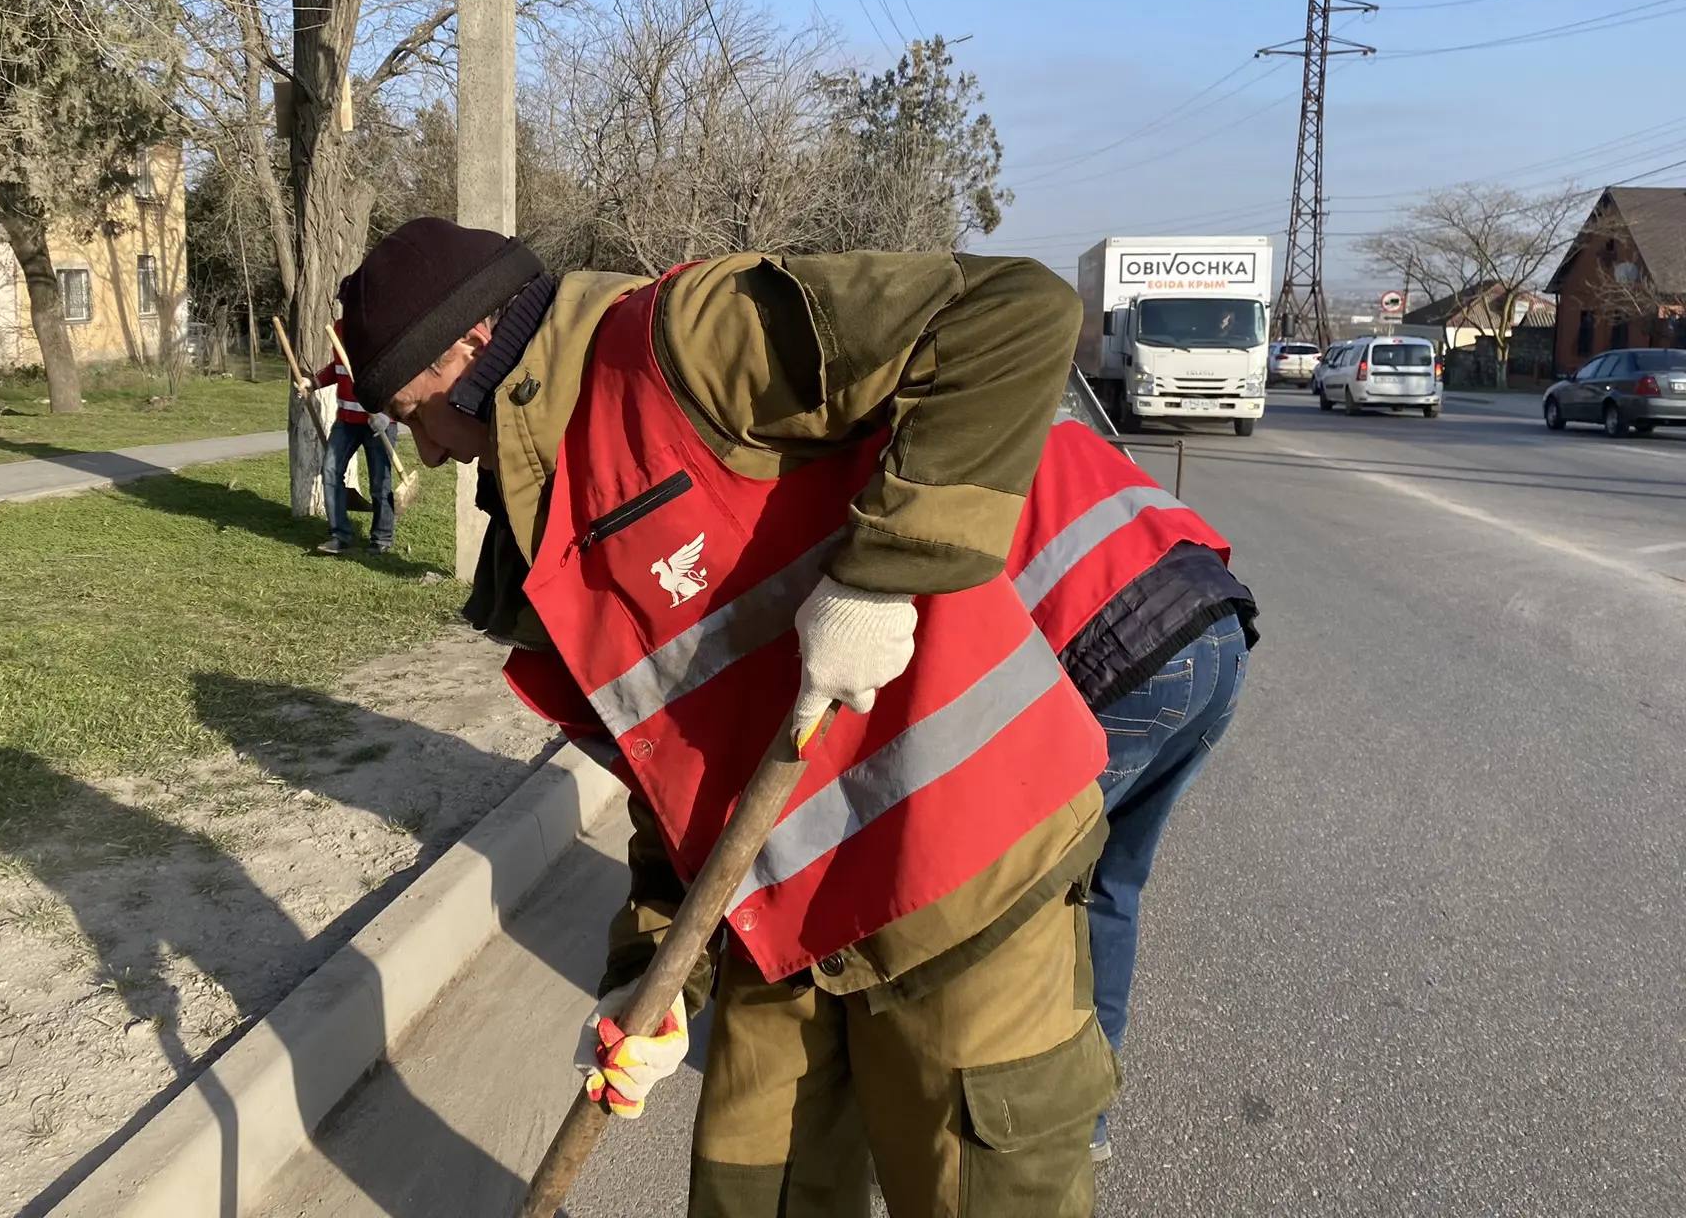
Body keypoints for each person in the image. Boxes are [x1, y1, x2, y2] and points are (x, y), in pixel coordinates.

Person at [337, 217, 1195, 1217]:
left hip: (961, 887)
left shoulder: (681, 346)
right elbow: (676, 783)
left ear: (471, 351)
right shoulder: (544, 550)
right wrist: (647, 980)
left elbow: (1013, 314)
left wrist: (882, 580)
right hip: (776, 931)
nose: (430, 454)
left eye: (416, 413)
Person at [1012, 419, 1259, 1165]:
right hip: (1217, 625)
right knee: (1112, 883)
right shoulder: (1049, 415)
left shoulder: (945, 443)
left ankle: (1023, 1125)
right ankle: (1087, 1122)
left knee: (1019, 893)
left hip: (1127, 646)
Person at [301, 318, 397, 555]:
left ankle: (381, 539)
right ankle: (339, 536)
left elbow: (396, 372)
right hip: (346, 420)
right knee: (331, 472)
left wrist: (386, 413)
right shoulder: (340, 329)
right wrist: (313, 382)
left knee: (379, 482)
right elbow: (338, 367)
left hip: (378, 422)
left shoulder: (382, 327)